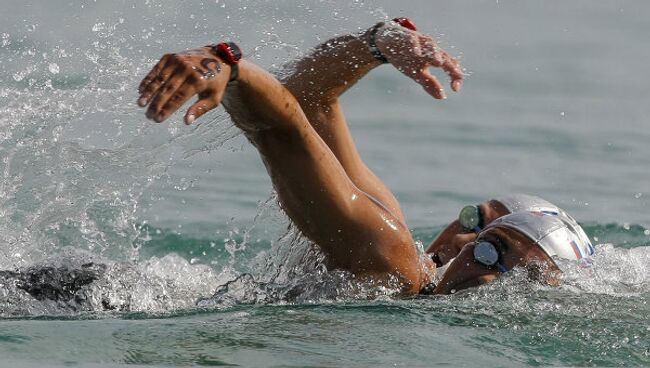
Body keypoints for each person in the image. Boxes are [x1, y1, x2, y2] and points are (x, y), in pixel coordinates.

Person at [136, 17, 594, 295]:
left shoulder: (400, 271)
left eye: (495, 250)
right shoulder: (400, 260)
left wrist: (229, 66)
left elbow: (285, 124)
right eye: (475, 220)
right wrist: (379, 42)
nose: (461, 241)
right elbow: (307, 102)